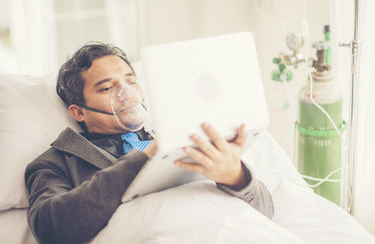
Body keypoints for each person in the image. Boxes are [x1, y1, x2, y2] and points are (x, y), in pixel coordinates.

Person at [25, 42, 274, 244]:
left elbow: (265, 211)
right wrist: (147, 157)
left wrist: (235, 176)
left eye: (130, 82)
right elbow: (52, 229)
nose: (126, 95)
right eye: (107, 88)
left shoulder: (182, 137)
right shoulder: (54, 163)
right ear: (79, 112)